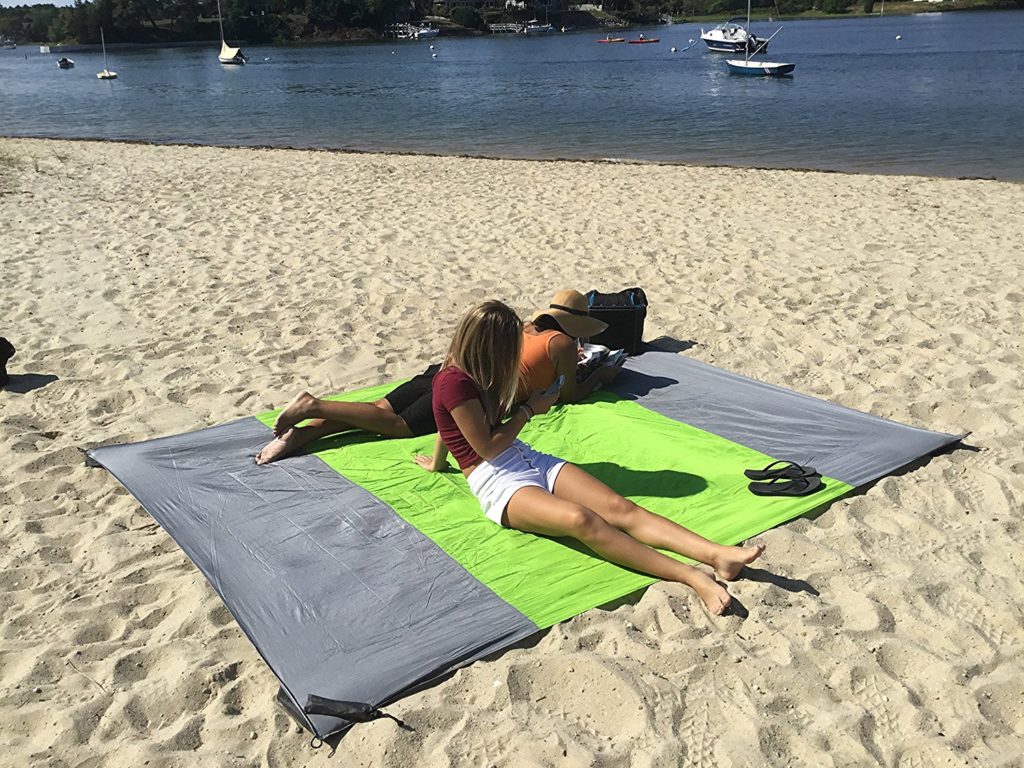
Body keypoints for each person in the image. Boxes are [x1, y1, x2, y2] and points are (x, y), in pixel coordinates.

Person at [414, 300, 764, 616]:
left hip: (523, 456)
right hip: (495, 481)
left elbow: (450, 427)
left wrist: (439, 461)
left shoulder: (480, 372)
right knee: (582, 520)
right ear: (488, 345)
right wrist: (528, 410)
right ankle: (691, 576)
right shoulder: (453, 382)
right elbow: (486, 447)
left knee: (619, 508)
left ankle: (715, 554)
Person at [255, 289, 615, 465]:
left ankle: (306, 432)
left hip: (446, 371)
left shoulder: (523, 328)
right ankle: (312, 406)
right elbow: (570, 394)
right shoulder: (563, 344)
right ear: (575, 326)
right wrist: (600, 376)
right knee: (393, 424)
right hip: (467, 391)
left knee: (377, 408)